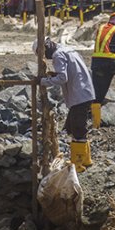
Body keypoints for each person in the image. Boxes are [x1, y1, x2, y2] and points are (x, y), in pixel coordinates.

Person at [34, 38, 95, 172]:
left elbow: (63, 78)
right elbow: (71, 72)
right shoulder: (68, 50)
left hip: (78, 95)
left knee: (77, 128)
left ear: (46, 47)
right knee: (73, 127)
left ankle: (78, 163)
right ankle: (85, 159)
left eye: (42, 53)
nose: (46, 57)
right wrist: (54, 75)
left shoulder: (57, 55)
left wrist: (43, 81)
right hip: (85, 91)